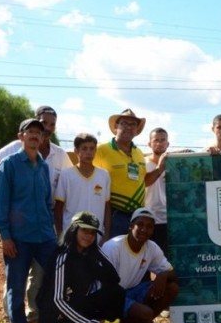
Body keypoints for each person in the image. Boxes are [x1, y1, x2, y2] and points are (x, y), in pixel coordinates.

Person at [0, 105, 72, 323]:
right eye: (43, 123)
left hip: (44, 223)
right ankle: (11, 318)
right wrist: (4, 196)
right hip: (19, 225)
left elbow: (68, 184)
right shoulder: (15, 150)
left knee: (41, 273)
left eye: (51, 125)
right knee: (16, 274)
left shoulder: (58, 156)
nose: (47, 128)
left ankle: (34, 313)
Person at [0, 118, 58, 323]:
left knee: (54, 279)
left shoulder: (44, 166)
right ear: (20, 136)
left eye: (38, 133)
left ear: (42, 139)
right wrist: (5, 236)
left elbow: (47, 202)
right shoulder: (9, 164)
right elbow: (1, 203)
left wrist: (51, 229)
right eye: (29, 132)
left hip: (44, 237)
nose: (34, 136)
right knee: (17, 285)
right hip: (19, 239)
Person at [36, 211, 129, 323]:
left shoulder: (90, 254)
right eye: (84, 231)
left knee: (117, 292)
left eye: (93, 233)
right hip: (55, 319)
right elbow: (58, 301)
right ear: (74, 230)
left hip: (77, 310)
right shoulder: (63, 257)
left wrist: (97, 251)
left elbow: (113, 278)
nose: (89, 236)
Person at [101, 208, 180, 323]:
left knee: (172, 287)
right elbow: (103, 286)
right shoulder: (113, 247)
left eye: (149, 227)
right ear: (131, 226)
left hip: (132, 291)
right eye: (140, 224)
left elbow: (174, 275)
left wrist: (163, 275)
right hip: (110, 295)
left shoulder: (151, 247)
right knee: (146, 313)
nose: (144, 229)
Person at [95, 108, 150, 239]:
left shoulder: (139, 153)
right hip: (113, 215)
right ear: (116, 126)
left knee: (134, 254)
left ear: (137, 130)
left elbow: (144, 180)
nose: (129, 127)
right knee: (112, 254)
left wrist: (160, 169)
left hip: (137, 216)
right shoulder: (101, 150)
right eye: (124, 123)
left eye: (133, 125)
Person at [54, 133, 111, 239]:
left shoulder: (104, 175)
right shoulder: (66, 175)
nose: (88, 152)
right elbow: (58, 207)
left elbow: (107, 207)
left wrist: (106, 234)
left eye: (92, 149)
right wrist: (60, 233)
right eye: (84, 149)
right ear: (76, 151)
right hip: (71, 235)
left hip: (95, 236)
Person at [145, 127, 169, 253]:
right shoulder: (142, 164)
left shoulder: (173, 164)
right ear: (149, 143)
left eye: (162, 140)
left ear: (168, 143)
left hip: (167, 219)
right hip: (147, 218)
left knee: (165, 262)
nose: (159, 143)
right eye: (156, 140)